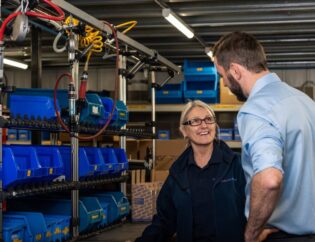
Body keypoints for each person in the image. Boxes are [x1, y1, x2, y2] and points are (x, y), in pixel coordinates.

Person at [212, 31, 315, 242]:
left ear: (235, 70)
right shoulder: (305, 101)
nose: (223, 83)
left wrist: (251, 233)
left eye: (222, 75)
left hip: (282, 236)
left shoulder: (257, 110)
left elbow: (269, 180)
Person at [132, 100, 246, 242]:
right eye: (195, 121)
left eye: (208, 119)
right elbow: (164, 221)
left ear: (215, 126)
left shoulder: (237, 164)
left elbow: (256, 207)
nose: (204, 125)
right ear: (184, 131)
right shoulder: (177, 173)